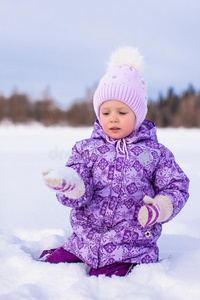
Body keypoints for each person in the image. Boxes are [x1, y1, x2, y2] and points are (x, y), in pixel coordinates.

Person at [40, 47, 189, 277]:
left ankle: (120, 265)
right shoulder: (86, 149)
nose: (113, 118)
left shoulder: (155, 153)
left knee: (106, 279)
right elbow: (81, 186)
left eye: (122, 111)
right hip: (84, 241)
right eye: (106, 112)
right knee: (49, 267)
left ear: (138, 115)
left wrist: (160, 207)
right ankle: (80, 253)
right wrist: (72, 185)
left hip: (132, 246)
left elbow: (176, 185)